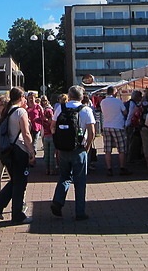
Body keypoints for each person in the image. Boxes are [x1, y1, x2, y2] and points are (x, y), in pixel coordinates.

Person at [0, 87, 35, 225]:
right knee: (20, 183)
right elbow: (26, 134)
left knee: (15, 180)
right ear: (21, 98)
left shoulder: (6, 111)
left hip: (7, 151)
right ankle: (17, 215)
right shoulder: (20, 111)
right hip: (19, 150)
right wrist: (31, 151)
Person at [50, 85, 96, 221]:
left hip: (63, 149)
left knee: (64, 177)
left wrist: (58, 141)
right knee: (80, 181)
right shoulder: (86, 110)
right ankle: (80, 212)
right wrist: (87, 147)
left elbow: (52, 126)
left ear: (69, 96)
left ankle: (58, 201)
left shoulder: (60, 108)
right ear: (82, 97)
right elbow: (92, 132)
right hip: (79, 149)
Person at [99, 85, 130, 176]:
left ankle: (109, 168)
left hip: (106, 125)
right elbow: (125, 112)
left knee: (107, 149)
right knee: (121, 148)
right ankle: (122, 168)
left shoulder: (103, 102)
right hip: (118, 125)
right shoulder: (118, 101)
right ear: (114, 92)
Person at [39, 96, 57, 175]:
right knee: (51, 154)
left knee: (47, 154)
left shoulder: (43, 115)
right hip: (51, 135)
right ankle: (51, 170)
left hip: (45, 136)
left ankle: (47, 169)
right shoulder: (50, 115)